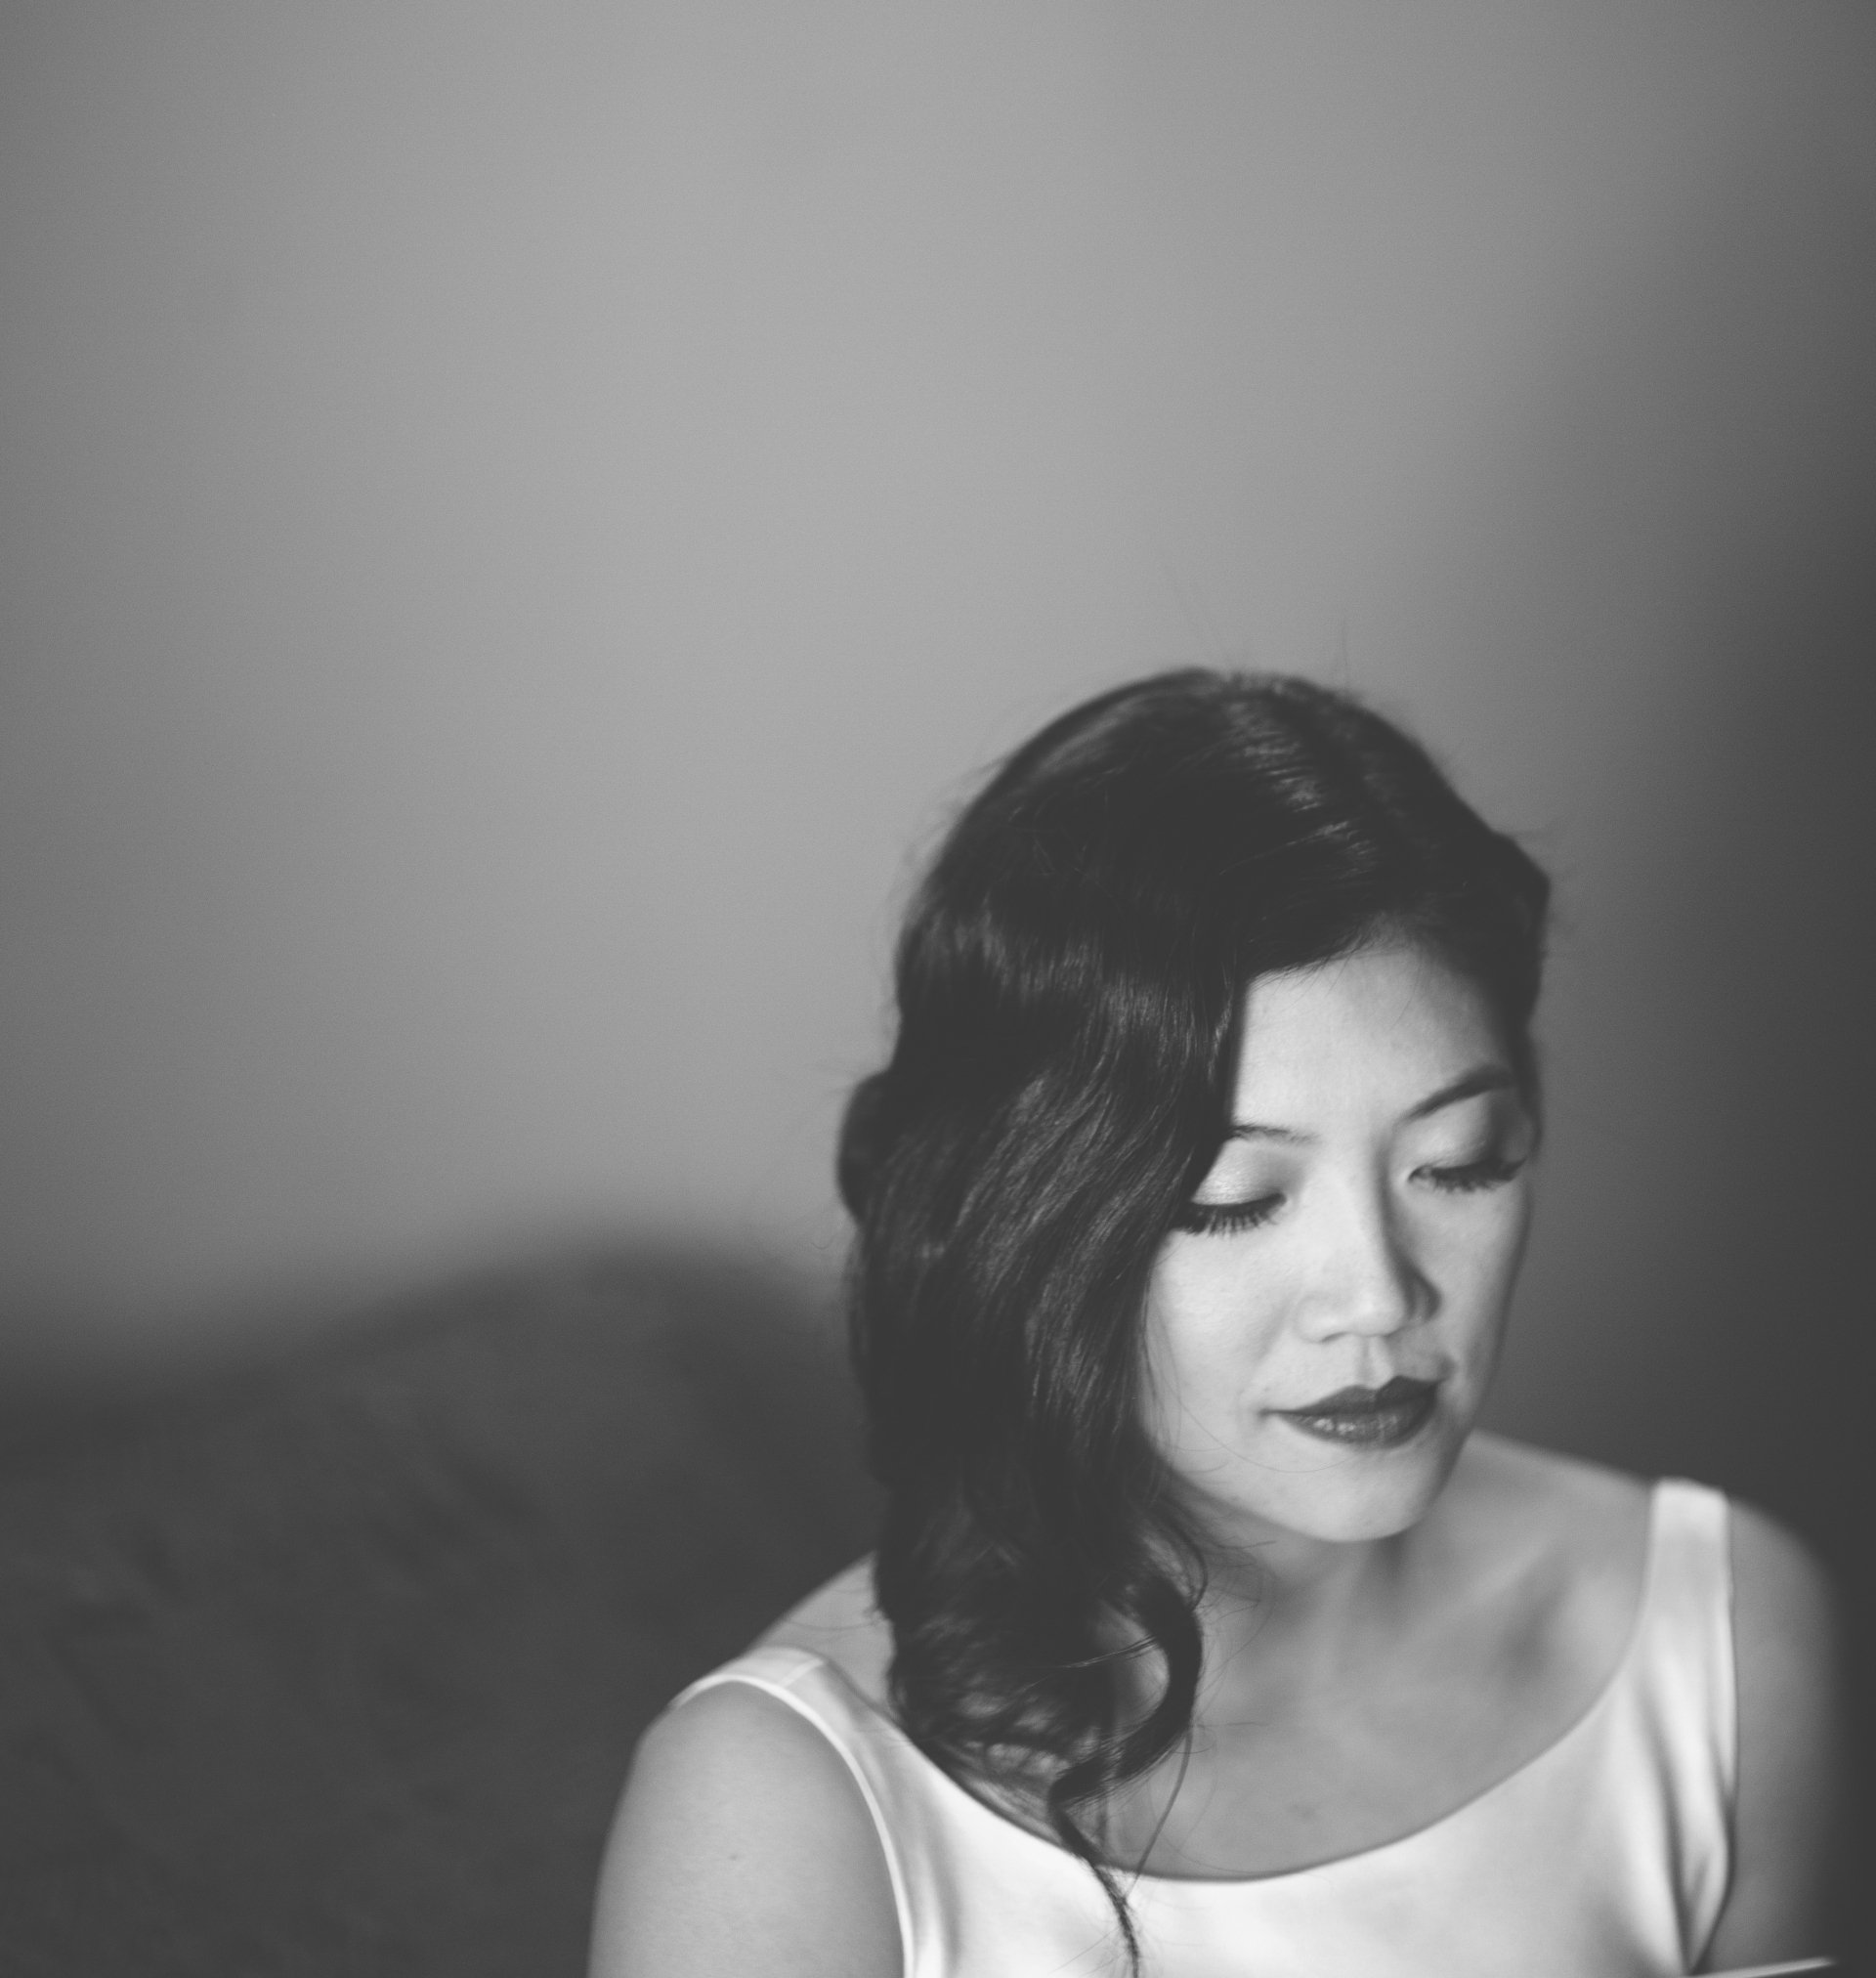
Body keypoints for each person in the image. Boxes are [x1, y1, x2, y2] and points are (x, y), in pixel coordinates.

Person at [589, 670, 1846, 1977]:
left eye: (1461, 1163)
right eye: (1235, 1200)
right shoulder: (782, 1812)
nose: (1378, 1296)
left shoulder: (1722, 1639)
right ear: (1032, 1219)